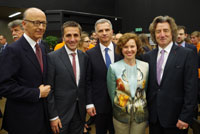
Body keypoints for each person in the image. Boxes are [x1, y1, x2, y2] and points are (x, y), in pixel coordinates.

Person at [0, 7, 51, 134]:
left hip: (43, 117)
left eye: (43, 23)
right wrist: (36, 93)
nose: (40, 27)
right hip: (22, 120)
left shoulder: (43, 47)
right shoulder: (13, 50)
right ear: (24, 24)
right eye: (36, 23)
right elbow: (4, 86)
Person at [144, 16, 198, 134]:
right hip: (154, 119)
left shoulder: (187, 55)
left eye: (166, 30)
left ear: (172, 32)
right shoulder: (148, 56)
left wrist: (185, 116)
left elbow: (191, 89)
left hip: (177, 119)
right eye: (158, 31)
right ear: (154, 34)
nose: (162, 35)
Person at [47, 21, 88, 134]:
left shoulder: (84, 57)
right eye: (68, 35)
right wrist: (53, 116)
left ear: (80, 36)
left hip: (79, 113)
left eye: (76, 35)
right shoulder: (52, 57)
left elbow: (84, 84)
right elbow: (49, 89)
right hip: (60, 115)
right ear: (63, 37)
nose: (72, 39)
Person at [107, 33, 148, 134]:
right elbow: (112, 93)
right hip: (120, 115)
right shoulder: (113, 67)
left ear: (137, 47)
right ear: (121, 48)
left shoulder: (145, 66)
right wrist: (121, 107)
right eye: (125, 47)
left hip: (140, 114)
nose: (129, 50)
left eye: (132, 46)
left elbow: (145, 90)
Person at [86, 18, 122, 134]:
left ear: (112, 31)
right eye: (101, 31)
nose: (104, 33)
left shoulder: (122, 51)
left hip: (120, 103)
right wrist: (90, 103)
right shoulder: (89, 54)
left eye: (107, 30)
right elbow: (88, 81)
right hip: (99, 105)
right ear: (96, 34)